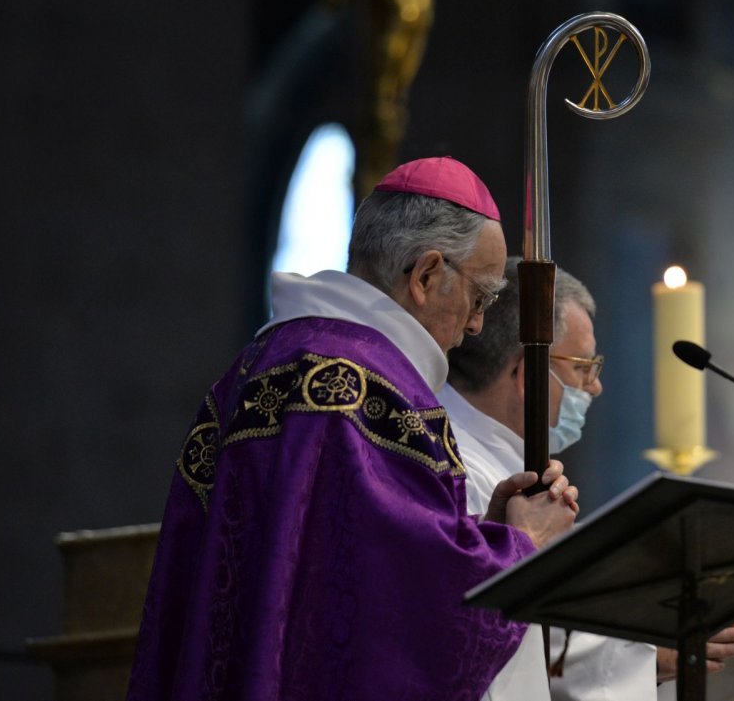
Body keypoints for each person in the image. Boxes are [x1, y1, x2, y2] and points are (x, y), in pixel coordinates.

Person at [127, 157, 578, 701]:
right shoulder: (372, 392)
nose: (478, 323)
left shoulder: (255, 368)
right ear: (427, 275)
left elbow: (339, 568)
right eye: (479, 296)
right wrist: (523, 545)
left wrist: (488, 533)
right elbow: (410, 622)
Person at [442, 257, 734, 701]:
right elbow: (486, 632)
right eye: (583, 367)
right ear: (528, 374)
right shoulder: (456, 471)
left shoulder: (509, 469)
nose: (595, 387)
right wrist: (655, 648)